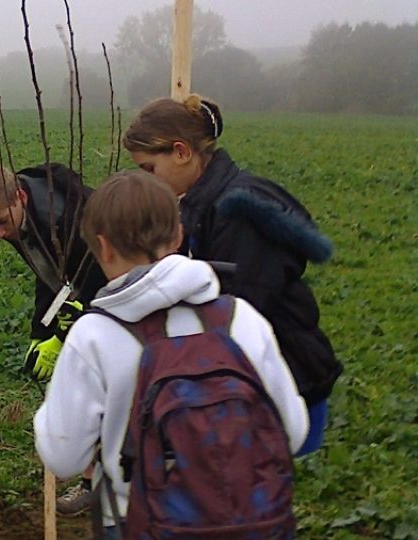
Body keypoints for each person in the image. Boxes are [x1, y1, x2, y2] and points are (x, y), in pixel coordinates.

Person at [34, 170, 309, 536]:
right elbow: (293, 430)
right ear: (179, 234)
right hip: (246, 519)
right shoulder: (242, 318)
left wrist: (49, 414)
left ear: (103, 246)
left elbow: (63, 457)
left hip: (138, 521)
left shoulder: (94, 337)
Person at [123, 94, 342, 456]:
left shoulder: (237, 212)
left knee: (249, 497)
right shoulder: (199, 203)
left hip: (282, 379)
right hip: (245, 379)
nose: (147, 181)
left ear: (181, 152)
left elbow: (239, 313)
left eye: (149, 169)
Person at [0, 162, 107, 515]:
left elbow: (94, 272)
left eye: (0, 222)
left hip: (108, 286)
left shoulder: (68, 217)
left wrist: (67, 331)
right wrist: (40, 334)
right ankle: (95, 479)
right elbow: (47, 275)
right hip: (80, 291)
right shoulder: (23, 218)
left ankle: (105, 482)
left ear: (20, 197)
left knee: (99, 385)